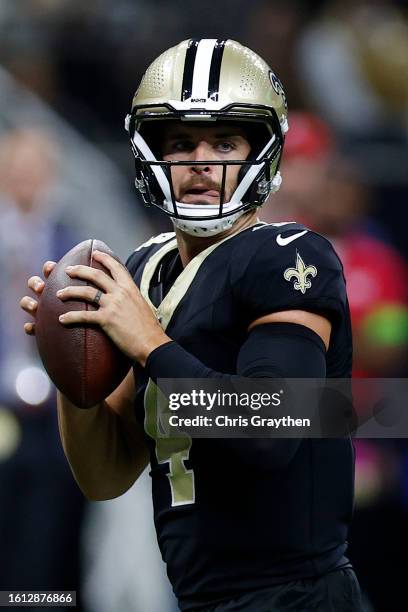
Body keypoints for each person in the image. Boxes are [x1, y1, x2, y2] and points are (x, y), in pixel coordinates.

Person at [21, 39, 362, 611]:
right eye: (180, 143)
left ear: (263, 152)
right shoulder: (143, 270)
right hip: (200, 597)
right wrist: (71, 371)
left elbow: (272, 429)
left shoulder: (287, 255)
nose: (201, 160)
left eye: (224, 141)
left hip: (293, 595)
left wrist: (149, 342)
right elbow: (105, 476)